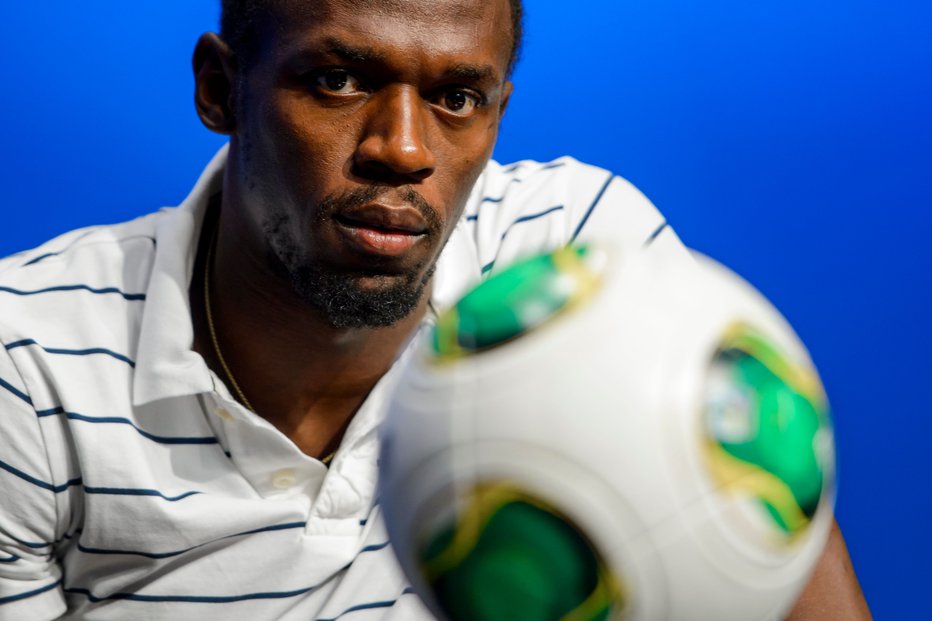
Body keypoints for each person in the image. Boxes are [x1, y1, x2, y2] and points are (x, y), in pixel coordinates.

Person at [0, 0, 870, 619]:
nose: (404, 149)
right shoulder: (27, 366)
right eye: (338, 79)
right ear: (220, 89)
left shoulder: (576, 266)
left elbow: (770, 539)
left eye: (458, 98)